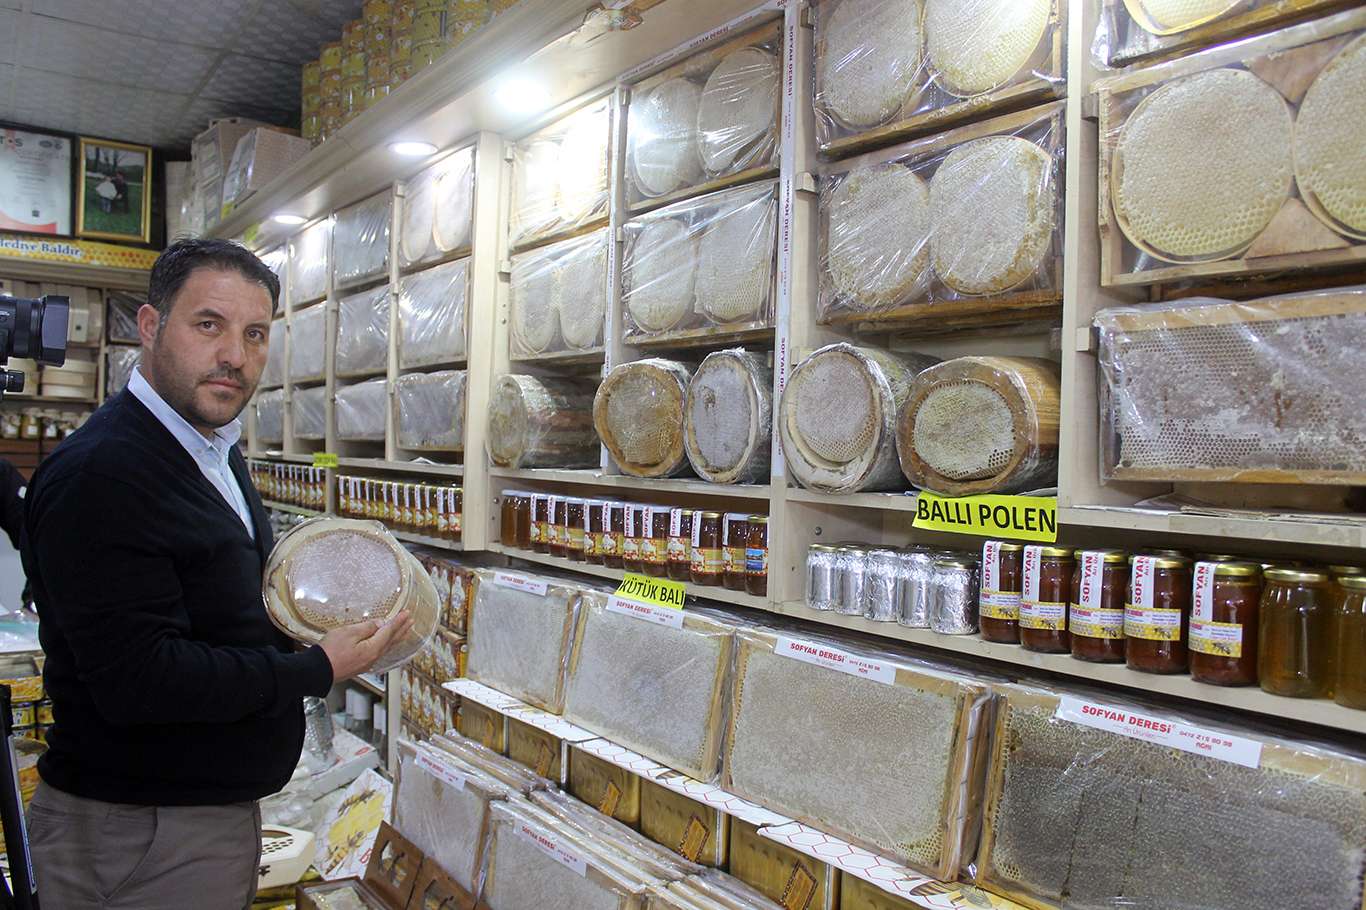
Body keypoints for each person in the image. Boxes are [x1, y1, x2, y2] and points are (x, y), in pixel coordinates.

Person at [20, 239, 411, 909]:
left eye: (254, 334)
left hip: (190, 819)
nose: (235, 354)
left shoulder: (210, 450)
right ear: (150, 327)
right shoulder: (104, 473)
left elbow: (218, 612)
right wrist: (316, 667)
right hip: (140, 835)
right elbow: (140, 680)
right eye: (209, 325)